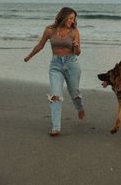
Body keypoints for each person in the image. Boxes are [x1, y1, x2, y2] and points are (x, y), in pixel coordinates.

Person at [24, 7, 85, 136]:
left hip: (72, 64)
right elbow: (40, 45)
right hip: (56, 65)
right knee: (55, 95)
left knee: (74, 92)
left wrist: (76, 46)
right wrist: (29, 56)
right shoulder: (50, 30)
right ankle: (56, 127)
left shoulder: (74, 31)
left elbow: (78, 53)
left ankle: (79, 107)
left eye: (73, 19)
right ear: (62, 17)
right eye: (69, 18)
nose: (72, 21)